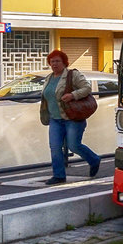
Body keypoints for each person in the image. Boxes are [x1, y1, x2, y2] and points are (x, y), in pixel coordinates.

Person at [40, 49, 101, 185]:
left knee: (74, 145)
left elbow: (86, 88)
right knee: (55, 147)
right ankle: (59, 175)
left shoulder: (72, 75)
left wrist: (73, 95)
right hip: (55, 119)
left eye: (57, 61)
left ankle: (94, 160)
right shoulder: (49, 78)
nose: (54, 64)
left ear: (64, 62)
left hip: (72, 118)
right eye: (52, 61)